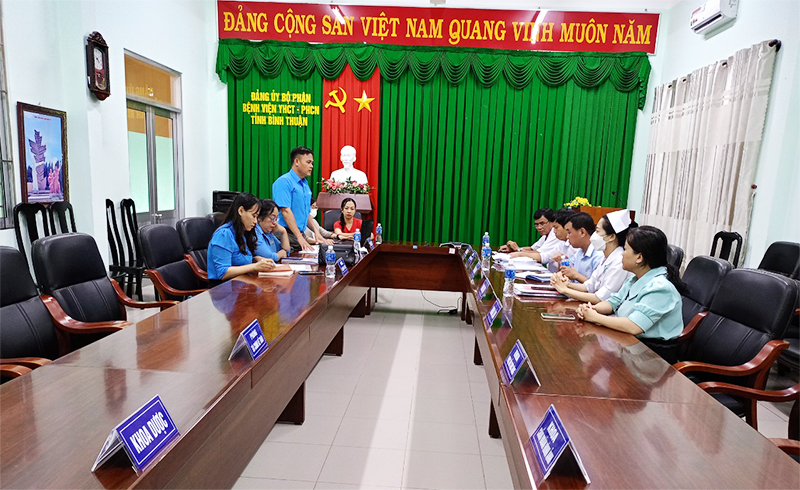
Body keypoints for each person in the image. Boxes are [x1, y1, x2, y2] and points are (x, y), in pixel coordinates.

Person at [577, 225, 688, 351]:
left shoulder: (660, 288)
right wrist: (592, 309)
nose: (622, 254)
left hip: (652, 353)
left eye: (625, 249)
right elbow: (613, 303)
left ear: (639, 257)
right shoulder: (634, 279)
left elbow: (634, 326)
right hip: (630, 345)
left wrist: (595, 317)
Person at [552, 209, 636, 304]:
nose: (593, 235)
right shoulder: (606, 258)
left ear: (611, 237)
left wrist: (565, 290)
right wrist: (565, 284)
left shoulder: (619, 261)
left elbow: (600, 298)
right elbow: (588, 286)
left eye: (597, 231)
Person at [207, 193, 275, 283]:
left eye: (257, 217)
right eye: (253, 216)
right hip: (222, 287)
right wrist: (254, 266)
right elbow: (223, 273)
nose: (255, 221)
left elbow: (239, 260)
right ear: (241, 211)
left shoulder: (241, 233)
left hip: (240, 283)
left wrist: (255, 260)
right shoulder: (224, 234)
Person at [272, 147, 329, 251]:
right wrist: (299, 237)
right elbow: (285, 211)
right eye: (308, 162)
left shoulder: (305, 184)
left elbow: (306, 213)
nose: (311, 166)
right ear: (297, 161)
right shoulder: (284, 182)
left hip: (299, 235)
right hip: (285, 234)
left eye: (312, 163)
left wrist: (317, 233)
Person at [559, 212, 604, 282]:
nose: (567, 237)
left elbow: (597, 286)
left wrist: (576, 276)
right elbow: (568, 269)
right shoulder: (580, 252)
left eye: (569, 232)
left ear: (582, 232)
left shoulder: (599, 256)